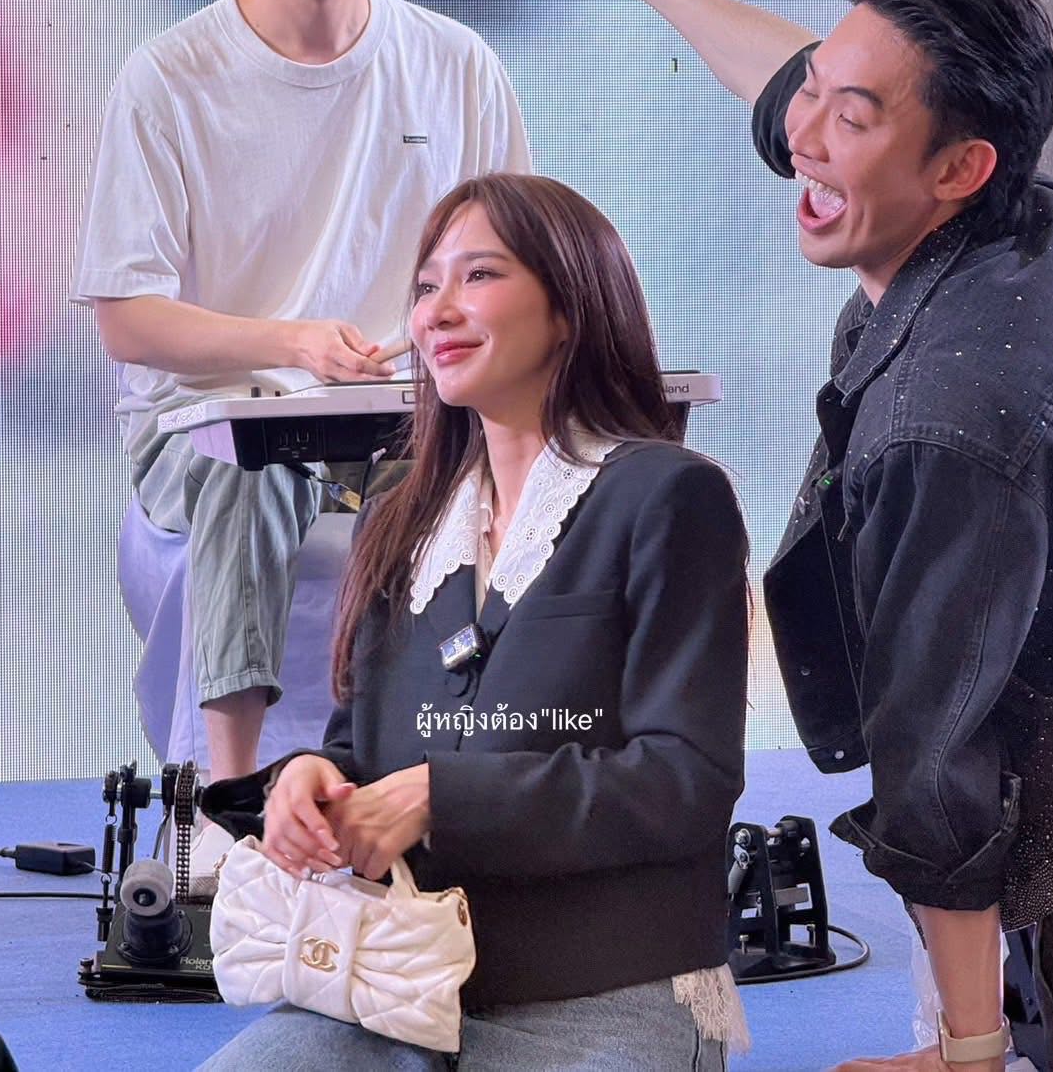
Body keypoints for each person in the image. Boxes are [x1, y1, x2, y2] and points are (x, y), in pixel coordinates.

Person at [579, 0, 1053, 1072]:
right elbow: (790, 81)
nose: (803, 132)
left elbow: (936, 754)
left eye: (851, 117)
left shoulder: (944, 418)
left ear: (957, 166)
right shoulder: (1006, 211)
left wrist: (964, 1053)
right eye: (817, 94)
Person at [197, 172, 751, 1071]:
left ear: (569, 306)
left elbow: (684, 780)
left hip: (605, 991)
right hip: (397, 987)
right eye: (426, 287)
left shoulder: (670, 496)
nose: (437, 312)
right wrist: (309, 781)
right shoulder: (401, 521)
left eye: (479, 275)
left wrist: (438, 797)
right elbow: (358, 749)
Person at [69, 0, 530, 812]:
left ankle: (441, 779)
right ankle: (233, 795)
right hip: (208, 422)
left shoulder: (457, 63)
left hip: (408, 408)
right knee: (257, 468)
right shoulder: (167, 79)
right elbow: (127, 322)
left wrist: (446, 336)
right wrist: (293, 345)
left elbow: (516, 262)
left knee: (491, 477)